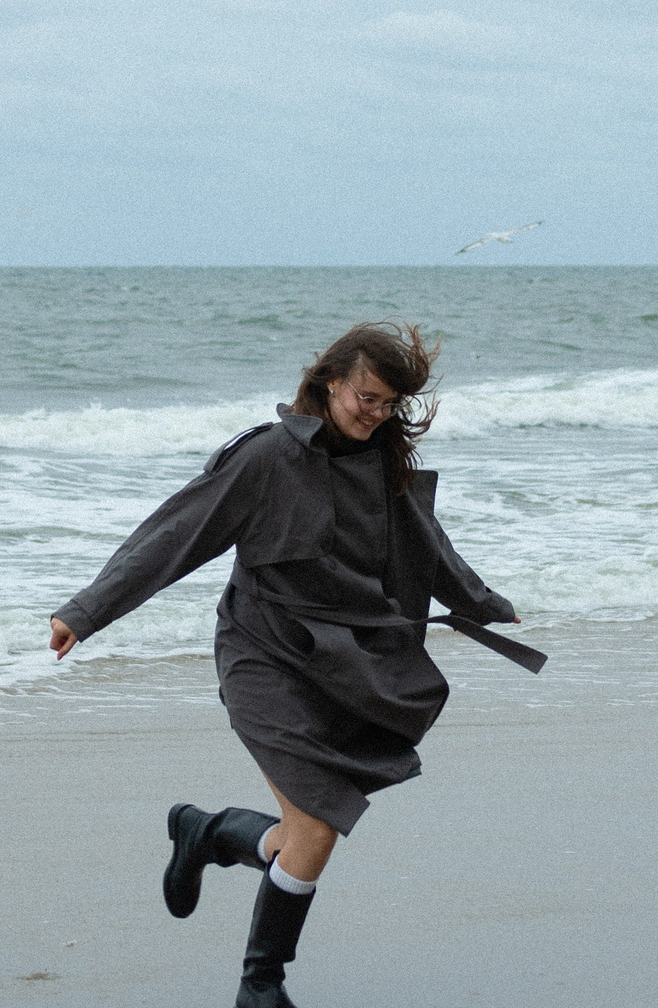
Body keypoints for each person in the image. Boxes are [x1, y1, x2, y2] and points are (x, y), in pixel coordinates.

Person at [48, 322, 535, 1008]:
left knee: (305, 832)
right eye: (365, 397)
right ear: (330, 382)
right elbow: (177, 531)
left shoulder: (384, 461)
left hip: (341, 664)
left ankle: (208, 832)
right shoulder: (267, 457)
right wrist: (88, 610)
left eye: (388, 403)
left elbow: (428, 545)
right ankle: (261, 985)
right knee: (317, 825)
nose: (375, 413)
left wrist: (483, 603)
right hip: (262, 652)